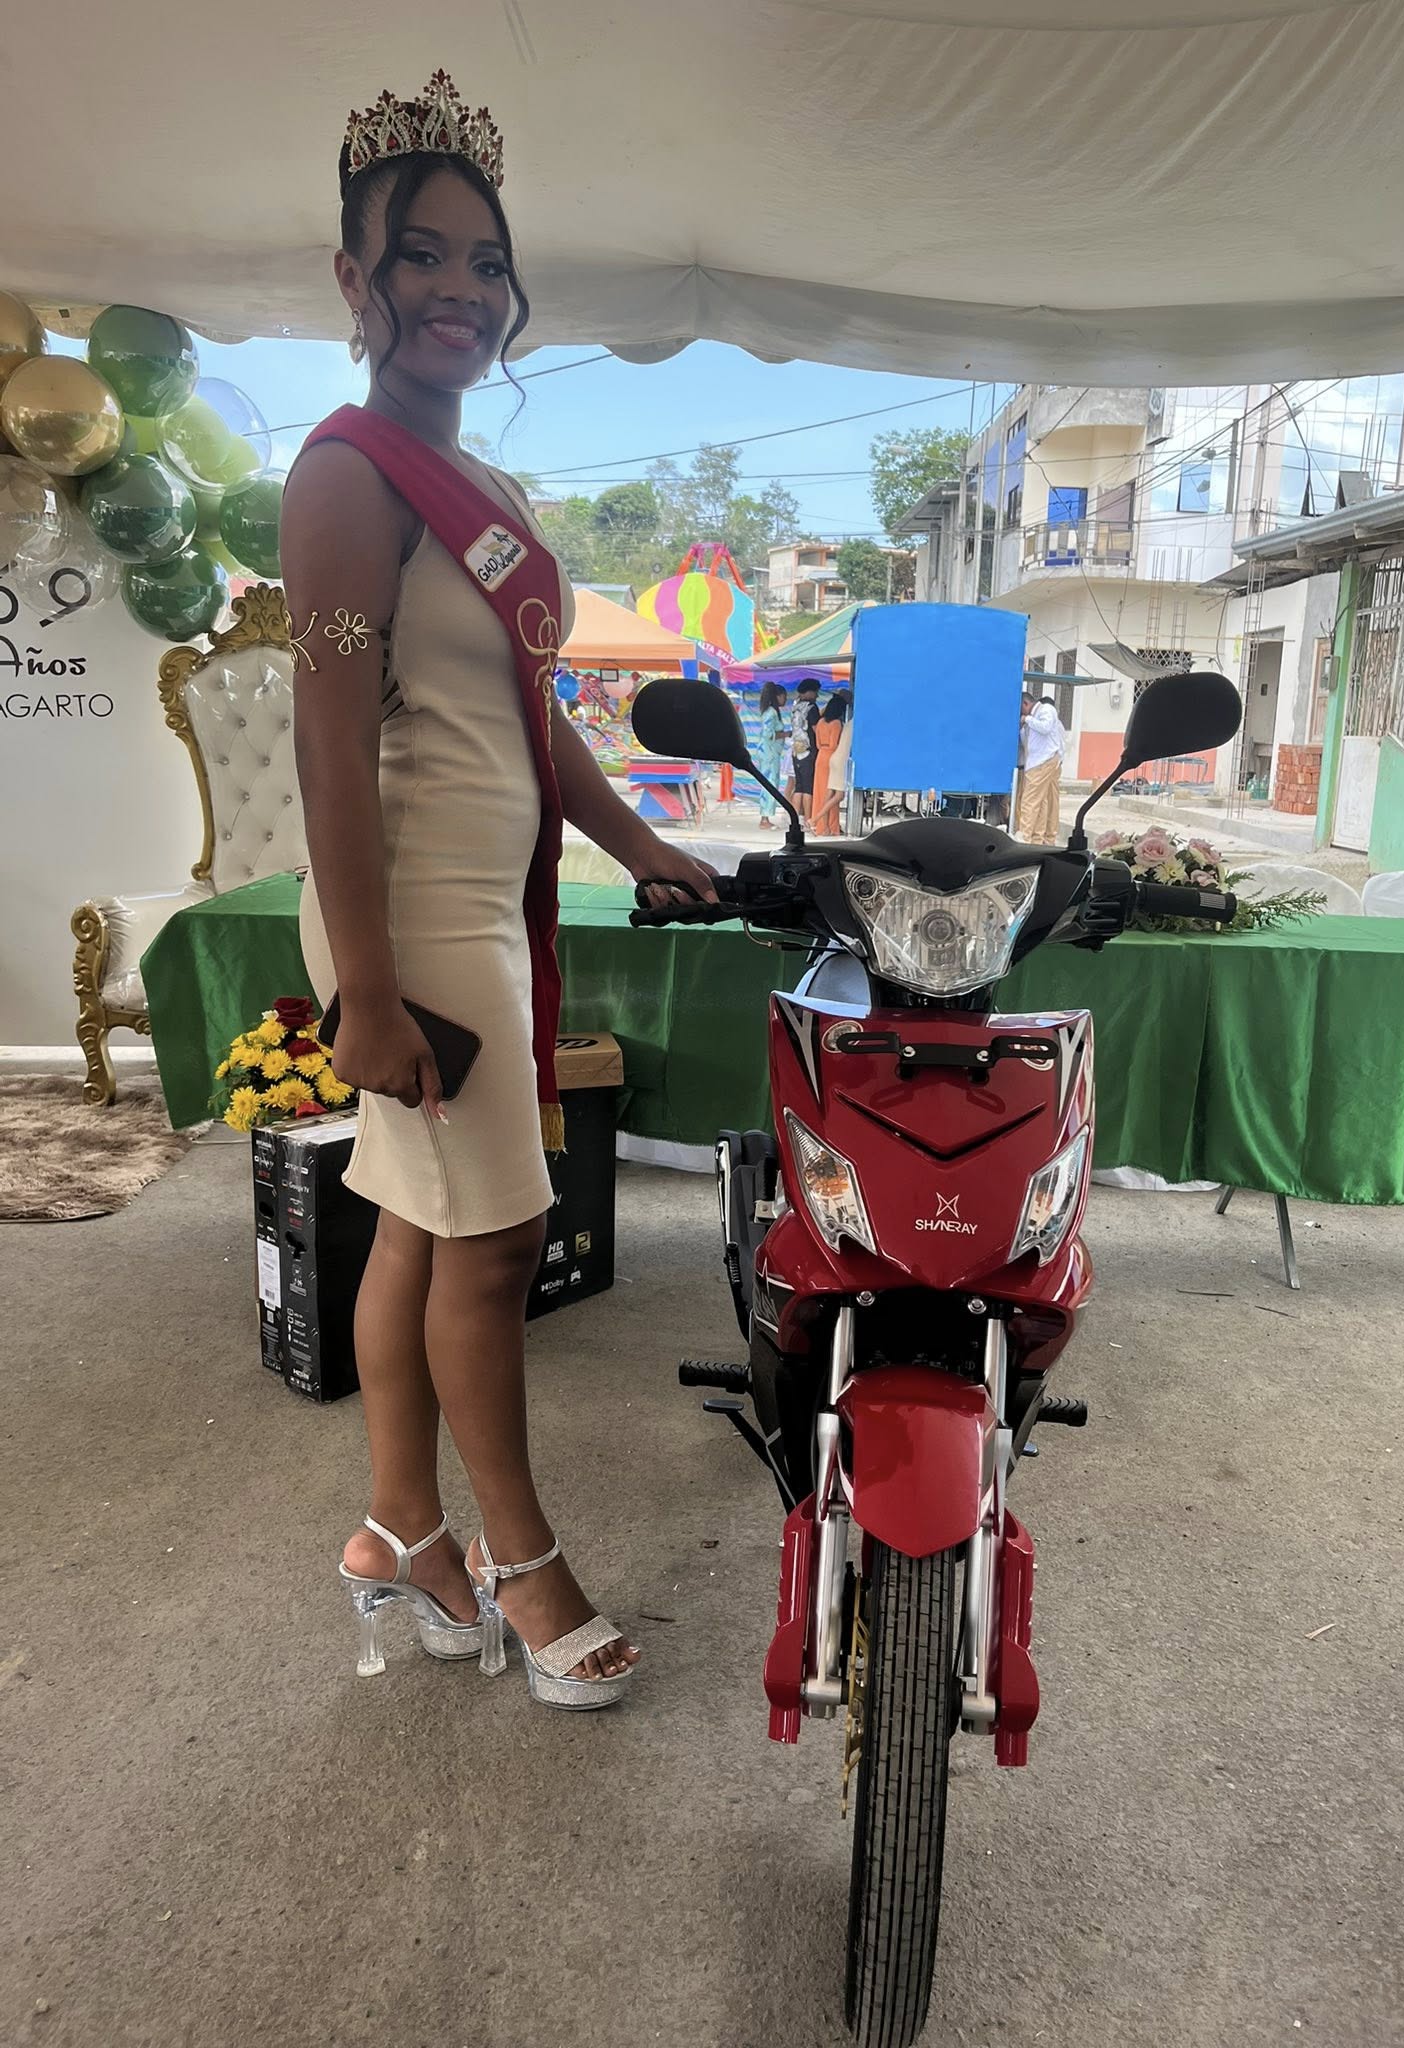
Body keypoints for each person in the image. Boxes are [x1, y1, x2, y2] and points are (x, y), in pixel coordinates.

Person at [281, 70, 713, 1709]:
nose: (459, 288)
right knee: (499, 1237)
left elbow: (529, 717)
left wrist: (636, 841)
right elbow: (331, 741)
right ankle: (525, 1569)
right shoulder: (346, 475)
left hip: (487, 900)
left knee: (420, 1221)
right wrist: (366, 984)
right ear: (355, 280)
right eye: (421, 257)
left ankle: (400, 1531)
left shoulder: (495, 493)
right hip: (408, 911)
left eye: (484, 261)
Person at [1014, 690, 1066, 843]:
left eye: (1021, 709)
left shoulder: (1046, 710)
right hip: (1035, 762)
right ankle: (1037, 838)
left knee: (1029, 801)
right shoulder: (1031, 720)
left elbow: (1046, 727)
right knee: (1041, 803)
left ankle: (1025, 836)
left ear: (1026, 703)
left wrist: (1027, 719)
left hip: (1043, 762)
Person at [812, 687, 850, 836]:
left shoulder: (820, 721)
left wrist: (824, 747)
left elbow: (817, 744)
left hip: (820, 756)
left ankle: (820, 826)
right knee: (832, 792)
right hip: (831, 757)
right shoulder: (836, 724)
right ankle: (831, 826)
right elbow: (834, 745)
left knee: (819, 792)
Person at [753, 681, 788, 828]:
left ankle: (766, 816)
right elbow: (768, 734)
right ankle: (764, 819)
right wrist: (786, 734)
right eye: (784, 696)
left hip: (770, 753)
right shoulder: (771, 713)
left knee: (770, 783)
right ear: (778, 696)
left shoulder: (771, 712)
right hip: (769, 753)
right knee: (770, 784)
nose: (785, 699)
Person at [788, 676, 821, 819]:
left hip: (796, 750)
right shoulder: (811, 708)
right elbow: (816, 729)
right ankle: (808, 819)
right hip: (809, 751)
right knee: (808, 787)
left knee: (799, 786)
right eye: (815, 692)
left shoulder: (795, 707)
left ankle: (795, 819)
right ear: (809, 691)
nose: (817, 695)